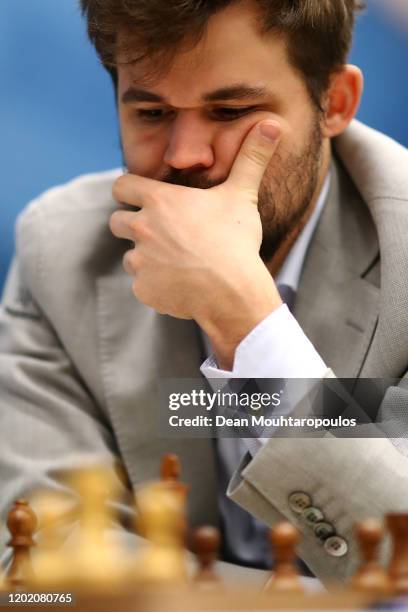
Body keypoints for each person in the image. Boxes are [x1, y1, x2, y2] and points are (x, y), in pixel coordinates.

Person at [1, 0, 408, 585]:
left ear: (335, 103)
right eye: (152, 112)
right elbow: (39, 578)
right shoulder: (59, 253)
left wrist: (247, 324)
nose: (184, 154)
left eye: (230, 110)